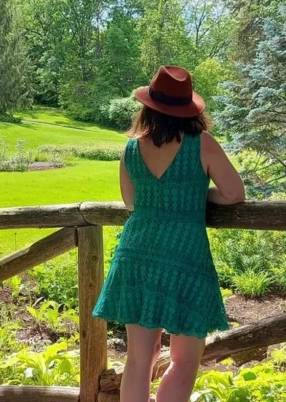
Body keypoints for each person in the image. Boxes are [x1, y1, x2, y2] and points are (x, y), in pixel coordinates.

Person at [93, 65, 246, 402]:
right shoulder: (201, 144)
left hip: (138, 252)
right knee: (185, 358)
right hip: (184, 256)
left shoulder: (132, 148)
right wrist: (193, 196)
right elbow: (234, 193)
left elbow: (132, 202)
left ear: (148, 107)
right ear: (189, 109)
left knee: (137, 360)